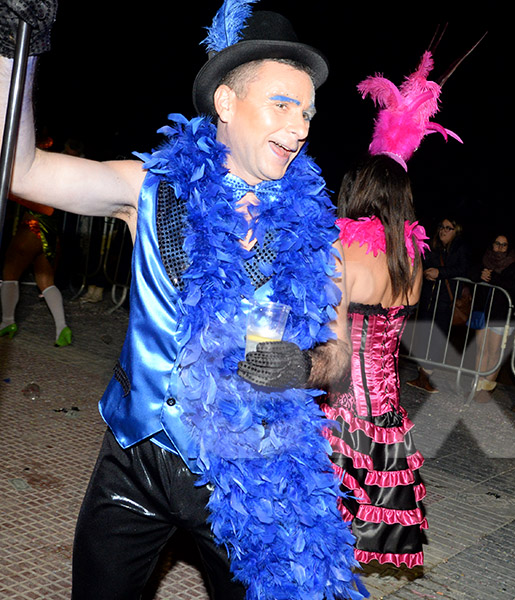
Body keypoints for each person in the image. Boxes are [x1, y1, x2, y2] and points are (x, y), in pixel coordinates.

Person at [0, 4, 361, 599]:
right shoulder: (149, 190)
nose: (299, 127)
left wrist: (306, 367)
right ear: (225, 103)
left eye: (306, 113)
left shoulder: (319, 234)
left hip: (249, 479)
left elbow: (341, 358)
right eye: (281, 105)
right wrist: (21, 57)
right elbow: (24, 170)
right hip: (133, 462)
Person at [322, 154, 429, 567]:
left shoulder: (342, 245)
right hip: (387, 420)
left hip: (339, 414)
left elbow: (331, 340)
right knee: (354, 540)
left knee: (318, 533)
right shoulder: (413, 256)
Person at [407, 216, 468, 393]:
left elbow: (464, 269)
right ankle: (421, 376)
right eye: (441, 226)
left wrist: (440, 272)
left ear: (456, 231)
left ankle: (427, 376)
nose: (443, 230)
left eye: (448, 228)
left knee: (437, 339)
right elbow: (425, 264)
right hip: (428, 299)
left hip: (445, 302)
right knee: (423, 336)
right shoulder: (434, 246)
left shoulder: (460, 248)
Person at [0, 194, 71, 346]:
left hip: (33, 226)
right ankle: (62, 327)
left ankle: (7, 321)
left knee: (9, 274)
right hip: (51, 230)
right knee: (46, 282)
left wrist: (13, 195)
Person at [470, 233, 515, 403]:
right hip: (483, 311)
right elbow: (470, 272)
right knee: (481, 349)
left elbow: (514, 286)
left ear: (509, 248)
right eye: (497, 243)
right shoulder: (484, 259)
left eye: (504, 245)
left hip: (501, 314)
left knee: (494, 351)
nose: (499, 247)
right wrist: (479, 275)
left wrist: (492, 277)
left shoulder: (514, 263)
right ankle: (476, 385)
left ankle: (486, 388)